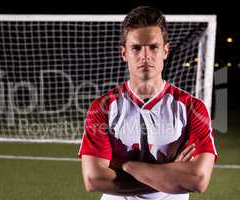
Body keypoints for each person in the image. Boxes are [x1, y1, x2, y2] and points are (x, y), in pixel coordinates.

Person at [78, 6, 217, 200]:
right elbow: (94, 179)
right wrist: (169, 175)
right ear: (124, 53)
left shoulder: (192, 108)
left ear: (165, 51)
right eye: (136, 48)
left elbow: (197, 180)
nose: (145, 56)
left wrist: (127, 166)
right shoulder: (102, 108)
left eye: (153, 47)